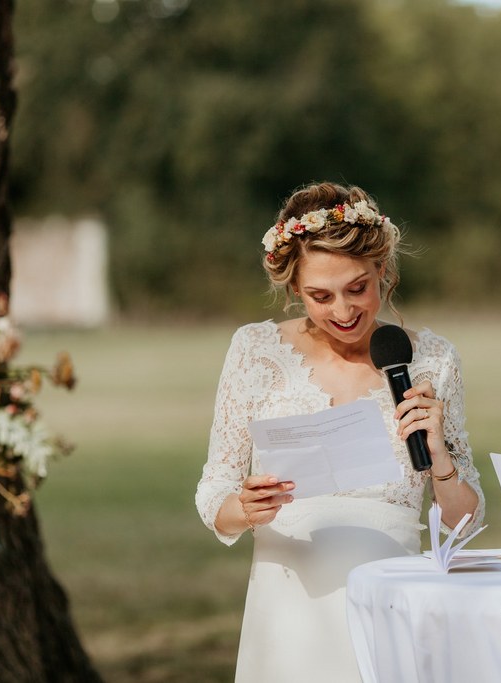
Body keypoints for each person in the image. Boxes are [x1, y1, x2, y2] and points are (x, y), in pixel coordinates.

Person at [195, 181, 485, 682]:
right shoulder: (254, 351)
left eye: (358, 288)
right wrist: (244, 508)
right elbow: (214, 492)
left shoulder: (433, 360)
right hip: (287, 610)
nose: (344, 311)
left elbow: (463, 526)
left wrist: (440, 457)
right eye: (319, 296)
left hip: (389, 605)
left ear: (383, 271)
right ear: (293, 289)